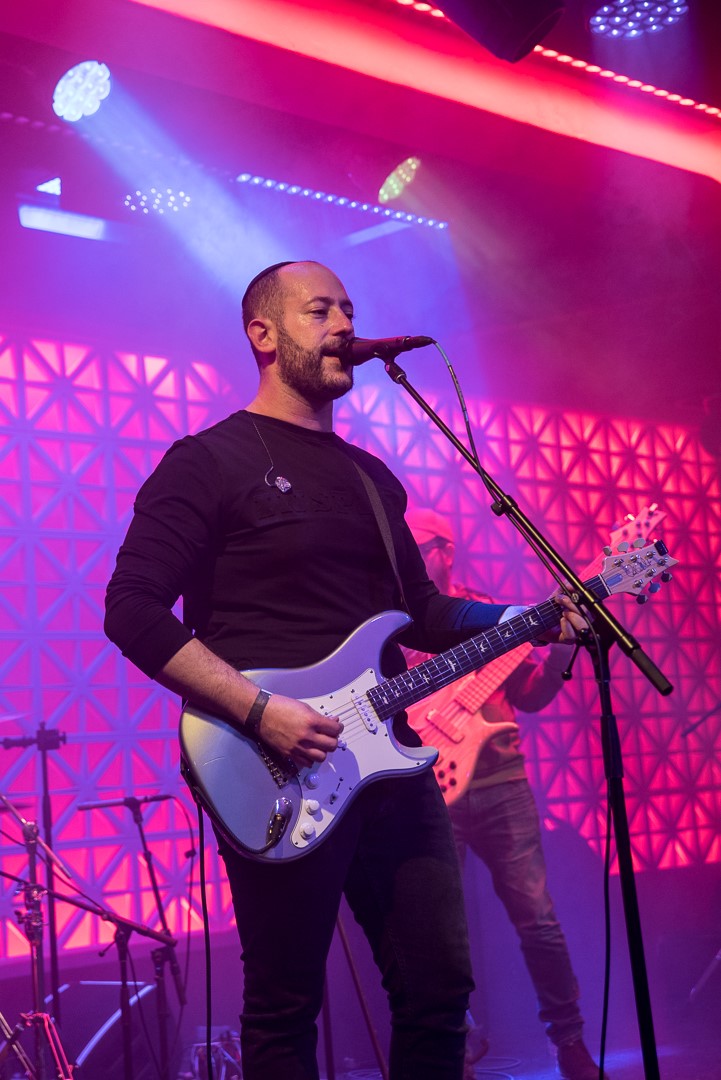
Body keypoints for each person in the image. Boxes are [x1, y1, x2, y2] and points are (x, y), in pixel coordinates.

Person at [104, 260, 586, 1080]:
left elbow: (422, 611)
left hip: (388, 761)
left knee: (439, 992)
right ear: (262, 334)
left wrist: (529, 617)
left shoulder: (371, 479)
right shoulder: (207, 461)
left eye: (348, 309)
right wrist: (260, 711)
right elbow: (132, 609)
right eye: (318, 310)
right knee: (286, 1002)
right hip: (267, 758)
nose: (343, 326)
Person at [404, 507, 608, 1080]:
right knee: (437, 929)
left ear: (445, 552)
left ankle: (569, 1042)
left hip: (501, 783)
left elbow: (534, 696)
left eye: (418, 548)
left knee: (538, 918)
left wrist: (564, 649)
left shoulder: (490, 615)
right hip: (427, 785)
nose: (408, 558)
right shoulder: (394, 623)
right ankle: (454, 1042)